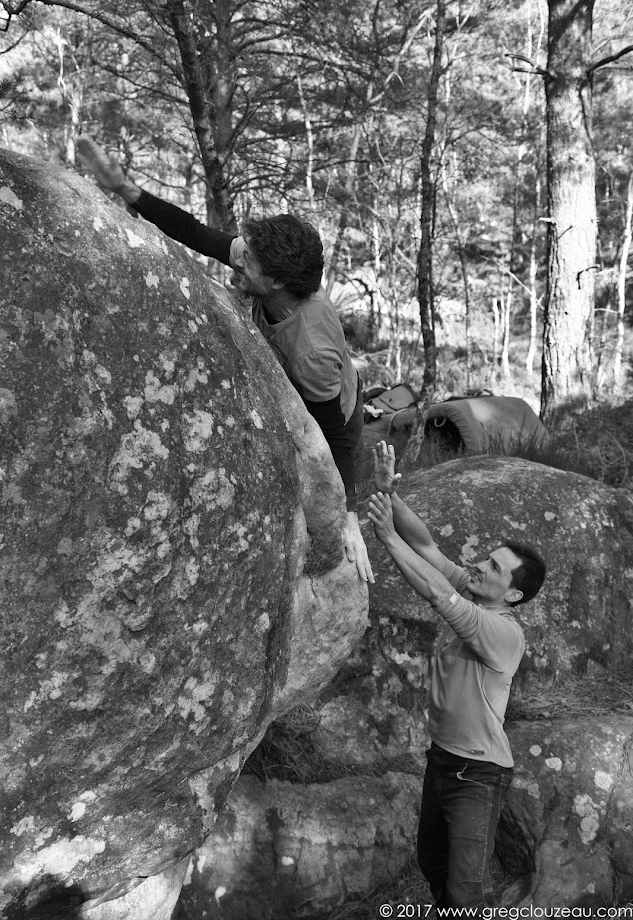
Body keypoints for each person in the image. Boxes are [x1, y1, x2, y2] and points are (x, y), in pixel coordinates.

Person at [76, 135, 373, 583]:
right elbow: (197, 233)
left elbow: (335, 436)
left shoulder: (311, 347)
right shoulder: (275, 272)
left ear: (274, 282)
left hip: (332, 410)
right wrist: (125, 189)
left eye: (248, 261)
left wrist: (347, 514)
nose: (238, 259)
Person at [368, 440, 546, 911]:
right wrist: (391, 495)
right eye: (487, 559)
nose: (479, 567)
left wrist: (386, 537)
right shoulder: (472, 590)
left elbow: (433, 592)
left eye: (493, 568)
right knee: (433, 862)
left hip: (478, 774)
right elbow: (426, 545)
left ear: (512, 596)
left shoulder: (503, 633)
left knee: (467, 890)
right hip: (442, 759)